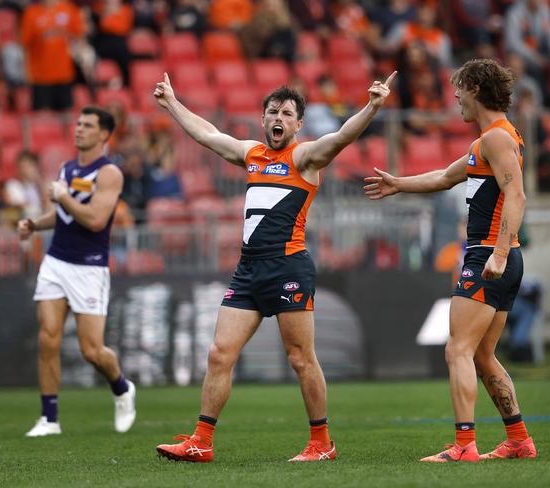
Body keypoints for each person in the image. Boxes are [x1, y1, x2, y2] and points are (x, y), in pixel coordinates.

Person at [152, 70, 396, 462]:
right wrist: (173, 103)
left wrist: (372, 106)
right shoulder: (252, 154)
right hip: (248, 271)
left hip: (288, 268)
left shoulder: (304, 156)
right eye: (272, 112)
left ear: (298, 123)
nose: (278, 118)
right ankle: (201, 441)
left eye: (286, 113)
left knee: (301, 358)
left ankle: (321, 444)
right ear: (263, 119)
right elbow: (208, 135)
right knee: (219, 354)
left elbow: (341, 137)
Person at [364, 59, 536, 462]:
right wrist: (398, 184)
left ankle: (464, 446)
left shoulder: (495, 139)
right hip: (503, 259)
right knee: (480, 354)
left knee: (457, 349)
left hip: (489, 256)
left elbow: (517, 197)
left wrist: (496, 252)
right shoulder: (488, 141)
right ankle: (519, 439)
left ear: (476, 88)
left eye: (460, 88)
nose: (455, 96)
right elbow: (444, 176)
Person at [17, 106, 136, 437]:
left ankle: (122, 388)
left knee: (91, 351)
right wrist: (34, 224)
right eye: (78, 123)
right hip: (56, 261)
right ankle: (49, 418)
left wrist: (65, 197)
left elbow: (95, 219)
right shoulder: (67, 168)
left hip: (89, 267)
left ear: (103, 134)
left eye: (87, 125)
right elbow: (63, 215)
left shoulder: (110, 173)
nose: (79, 129)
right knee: (48, 338)